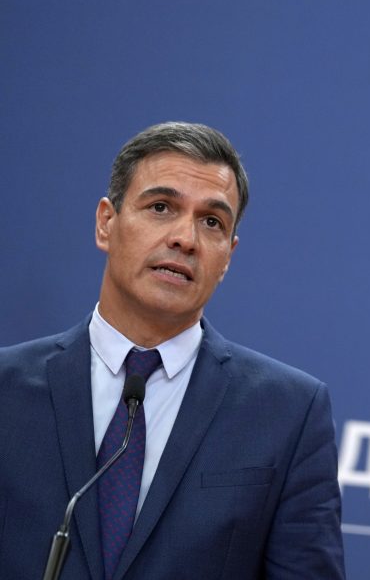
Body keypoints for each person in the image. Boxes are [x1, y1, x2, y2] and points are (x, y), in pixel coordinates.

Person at [0, 122, 346, 579]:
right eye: (161, 207)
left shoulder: (288, 414)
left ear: (227, 256)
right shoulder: (6, 389)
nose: (186, 238)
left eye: (212, 222)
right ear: (107, 223)